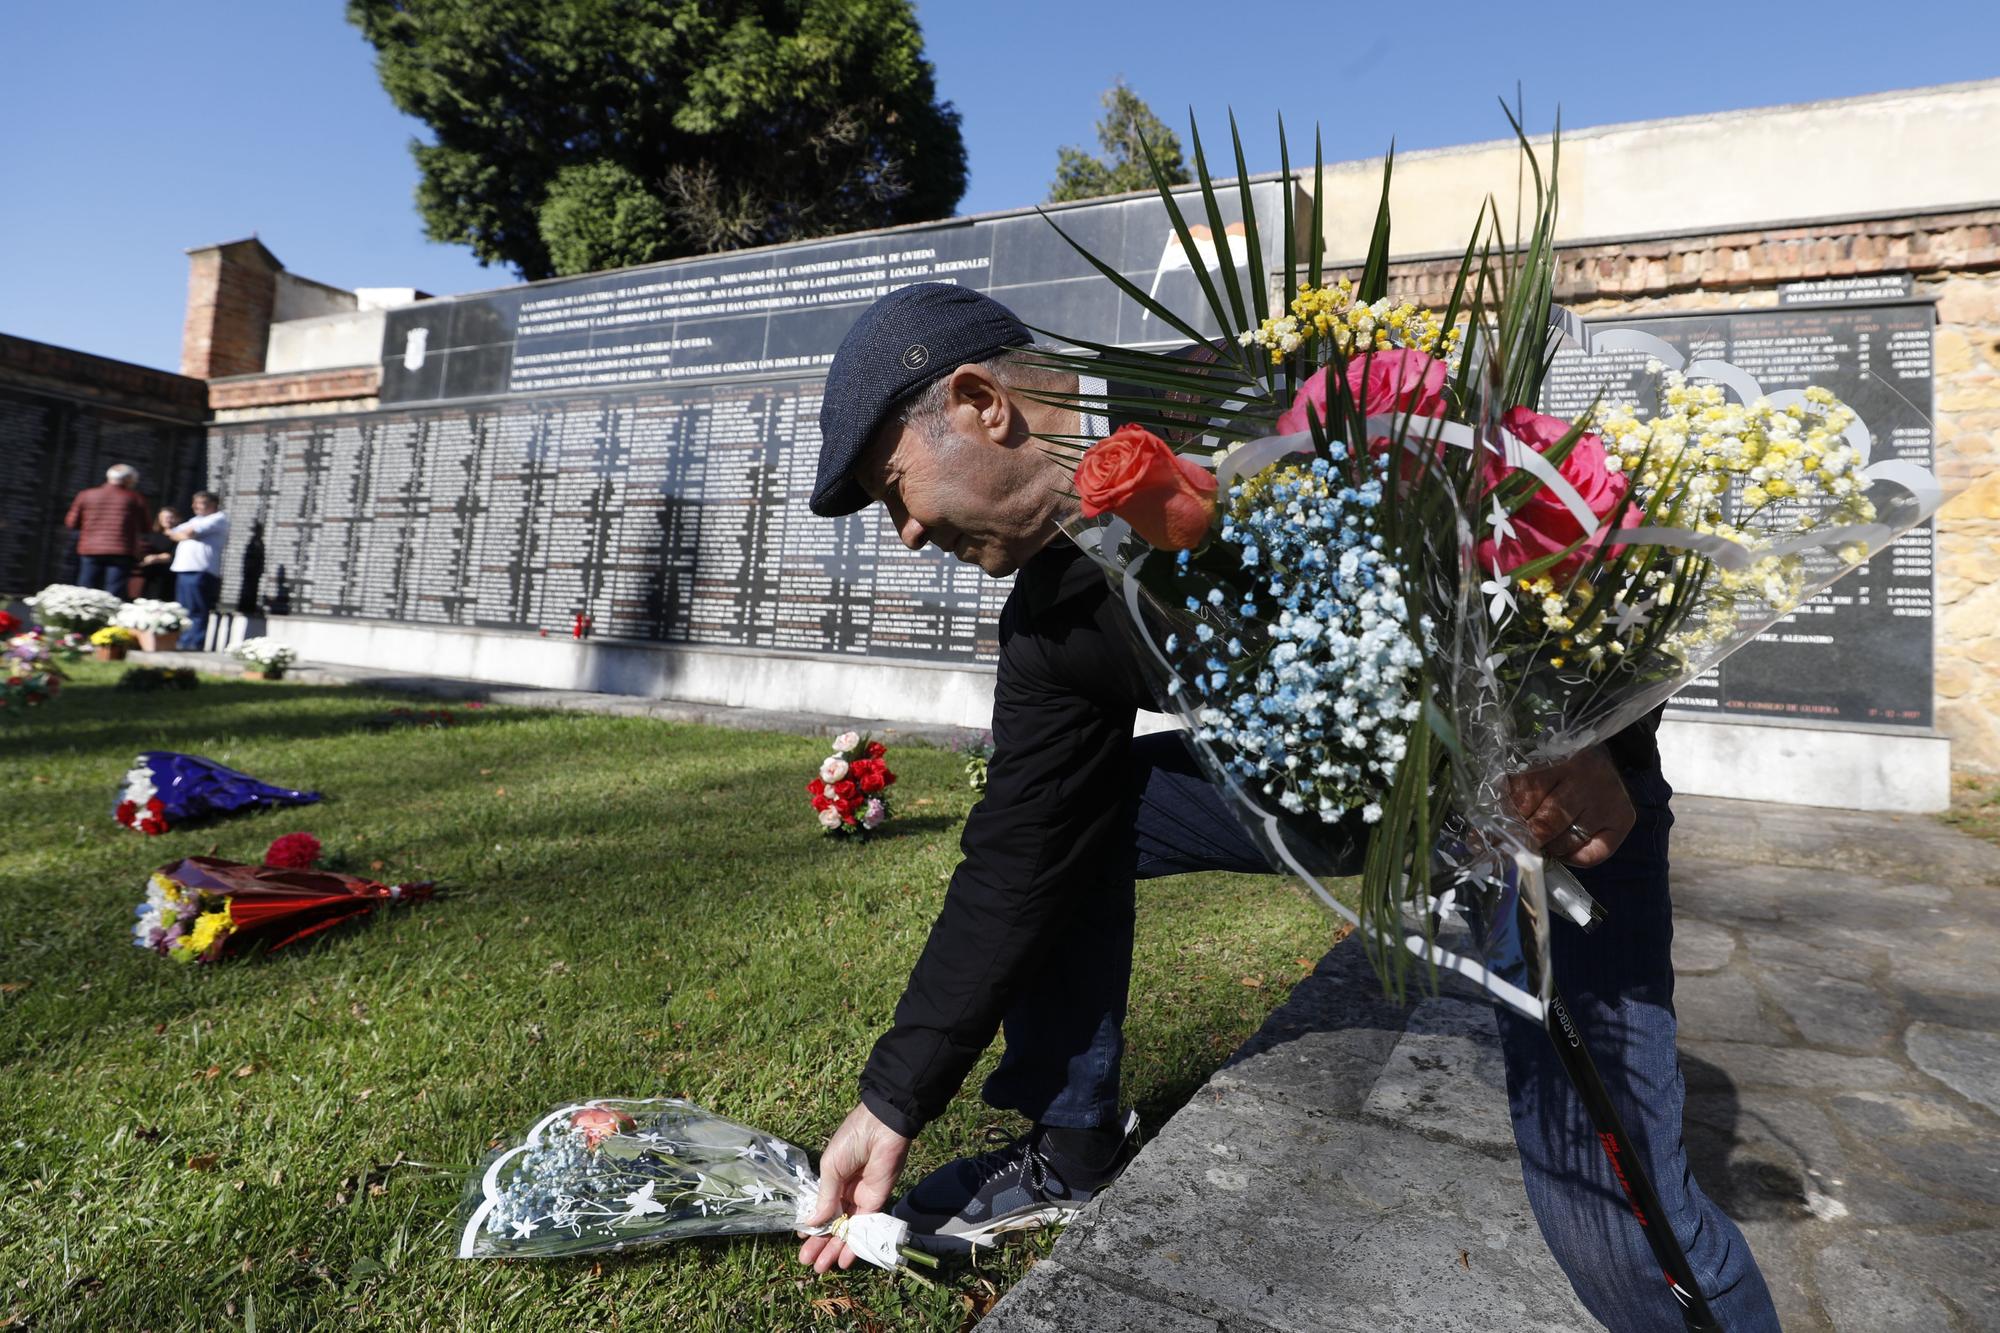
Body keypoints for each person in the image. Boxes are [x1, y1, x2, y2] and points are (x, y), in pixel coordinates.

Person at [794, 284, 1779, 1331]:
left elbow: (1573, 529)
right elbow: (1016, 853)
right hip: (1332, 798)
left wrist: (1574, 737)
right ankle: (1072, 1139)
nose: (902, 534)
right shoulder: (1050, 627)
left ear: (981, 402)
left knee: (1612, 1217)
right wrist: (893, 1097)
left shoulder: (1278, 399)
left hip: (1545, 799)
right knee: (1076, 815)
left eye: (894, 489)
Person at [63, 464, 149, 598]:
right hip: (121, 551)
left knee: (86, 589)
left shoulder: (86, 495)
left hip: (90, 549)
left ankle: (82, 617)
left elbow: (71, 522)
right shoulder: (135, 498)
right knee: (114, 592)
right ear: (128, 479)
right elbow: (145, 526)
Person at [168, 492, 229, 650]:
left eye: (199, 503)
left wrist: (182, 534)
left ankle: (194, 643)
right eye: (194, 503)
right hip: (184, 568)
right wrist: (181, 535)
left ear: (212, 505)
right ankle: (183, 641)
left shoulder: (218, 519)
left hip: (201, 570)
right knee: (184, 609)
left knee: (197, 609)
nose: (194, 506)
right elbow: (172, 534)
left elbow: (187, 533)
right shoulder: (195, 520)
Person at [136, 506, 181, 603]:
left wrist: (157, 557)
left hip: (168, 576)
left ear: (177, 519)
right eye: (164, 517)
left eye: (170, 517)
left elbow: (173, 556)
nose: (167, 520)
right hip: (150, 575)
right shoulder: (151, 535)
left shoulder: (179, 537)